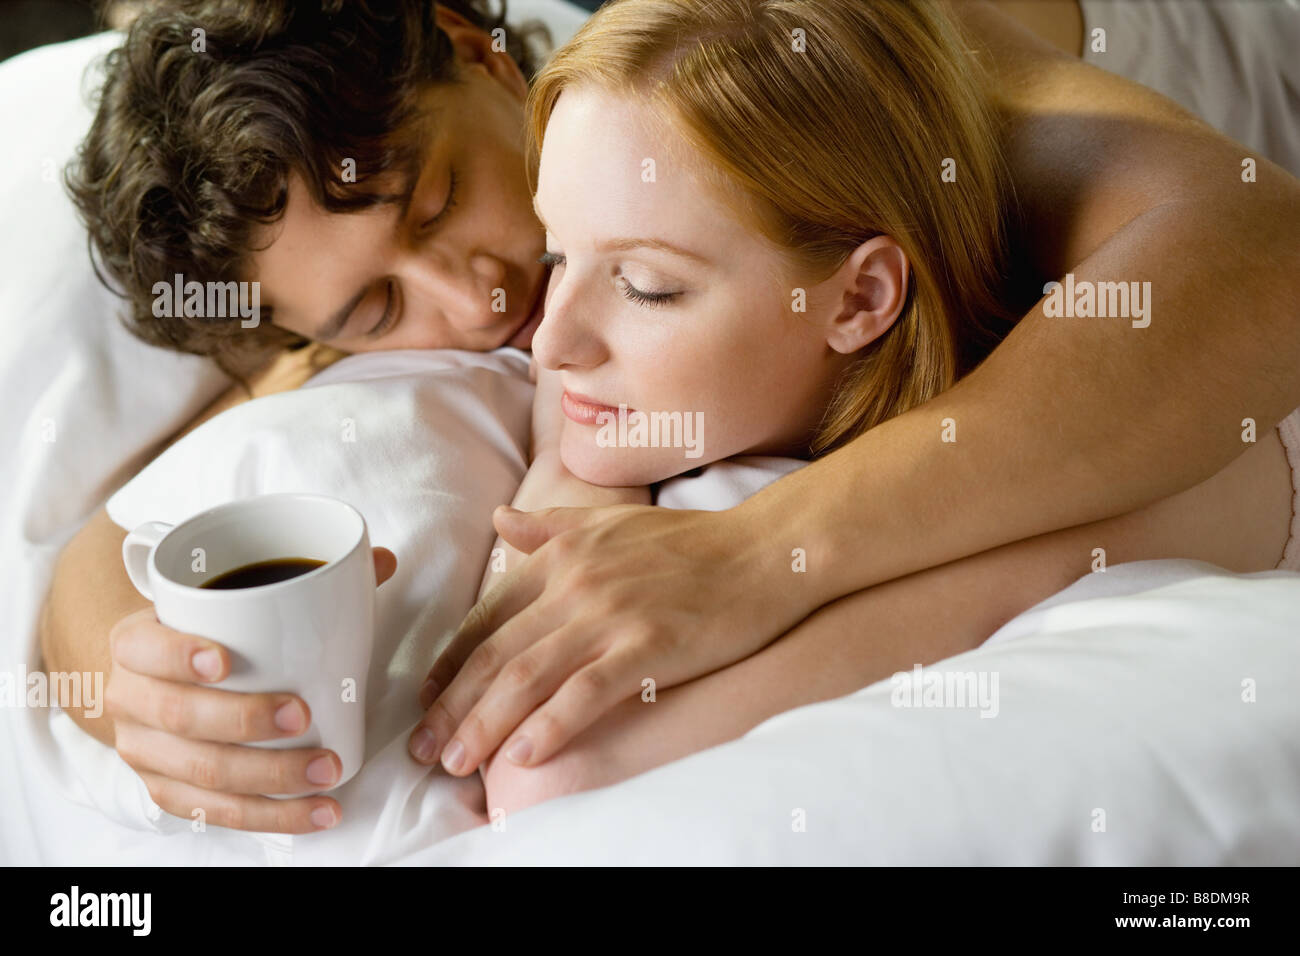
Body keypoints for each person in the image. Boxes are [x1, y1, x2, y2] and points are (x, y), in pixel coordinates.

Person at [41, 0, 1300, 834]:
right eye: (375, 310)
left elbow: (1259, 256)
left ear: (475, 47)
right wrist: (135, 682)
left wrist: (766, 552)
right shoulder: (396, 290)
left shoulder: (789, 67)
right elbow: (127, 503)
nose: (483, 297)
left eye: (437, 204)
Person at [406, 0, 1299, 814]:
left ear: (863, 297)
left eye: (646, 287)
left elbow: (555, 765)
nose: (540, 340)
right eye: (555, 254)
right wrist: (575, 484)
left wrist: (756, 554)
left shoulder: (1134, 419)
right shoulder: (631, 130)